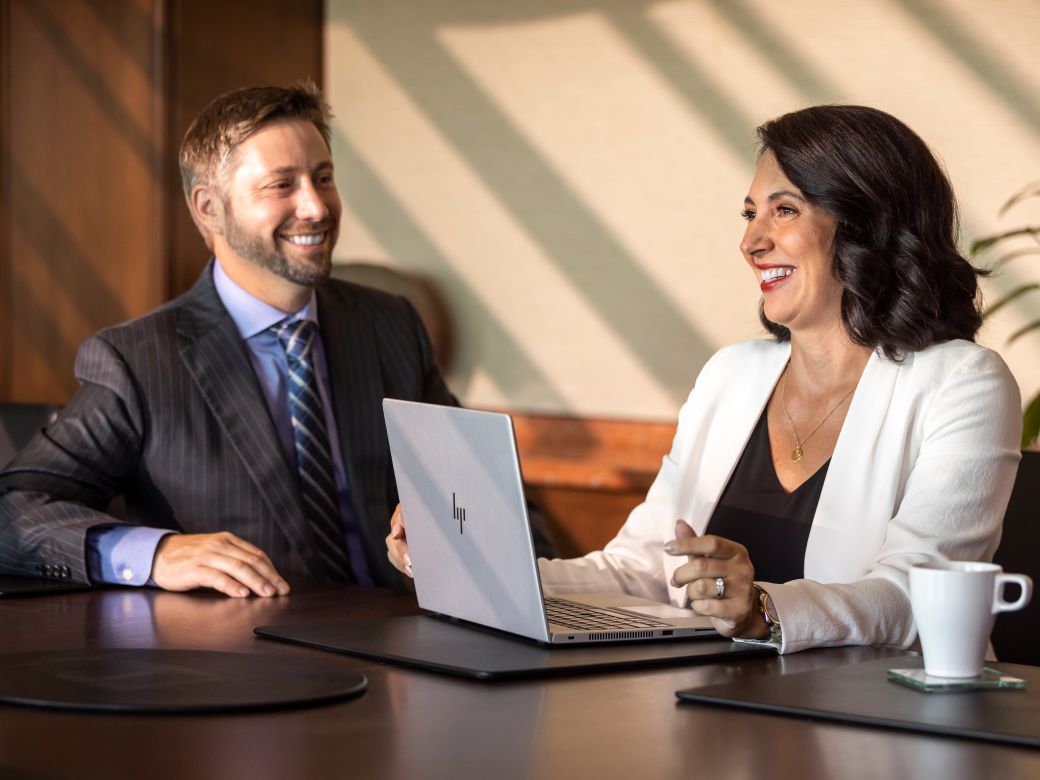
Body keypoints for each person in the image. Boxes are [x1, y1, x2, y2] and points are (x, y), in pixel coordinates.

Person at [388, 105, 1022, 654]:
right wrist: (477, 563)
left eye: (784, 209)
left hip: (880, 730)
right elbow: (639, 568)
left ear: (865, 225)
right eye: (750, 214)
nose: (751, 241)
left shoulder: (963, 383)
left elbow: (915, 596)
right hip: (714, 717)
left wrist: (761, 610)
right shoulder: (732, 375)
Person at [0, 83, 553, 597]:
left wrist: (475, 536)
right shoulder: (137, 361)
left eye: (324, 177)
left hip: (404, 650)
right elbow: (14, 510)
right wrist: (156, 553)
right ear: (209, 208)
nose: (316, 207)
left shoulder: (391, 325)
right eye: (282, 185)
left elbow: (490, 495)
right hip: (245, 668)